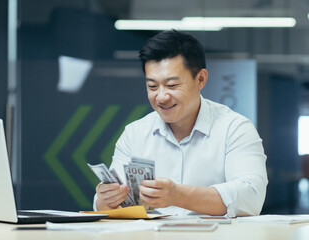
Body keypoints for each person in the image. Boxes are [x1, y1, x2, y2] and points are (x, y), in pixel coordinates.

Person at [93, 30, 268, 217]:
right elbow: (107, 207)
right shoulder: (134, 134)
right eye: (152, 86)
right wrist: (105, 201)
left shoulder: (234, 129)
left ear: (201, 79)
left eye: (172, 85)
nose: (161, 96)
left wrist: (179, 196)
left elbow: (251, 197)